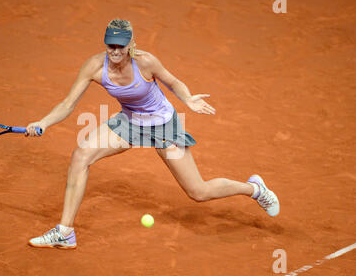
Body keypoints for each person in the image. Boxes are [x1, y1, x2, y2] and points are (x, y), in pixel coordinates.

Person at [25, 19, 279, 249]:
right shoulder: (94, 66)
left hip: (163, 127)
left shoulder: (145, 62)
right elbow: (68, 104)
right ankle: (65, 232)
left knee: (199, 192)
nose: (115, 51)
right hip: (130, 122)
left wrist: (188, 99)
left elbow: (173, 82)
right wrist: (44, 122)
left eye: (121, 46)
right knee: (81, 154)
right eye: (111, 45)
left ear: (131, 45)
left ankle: (254, 189)